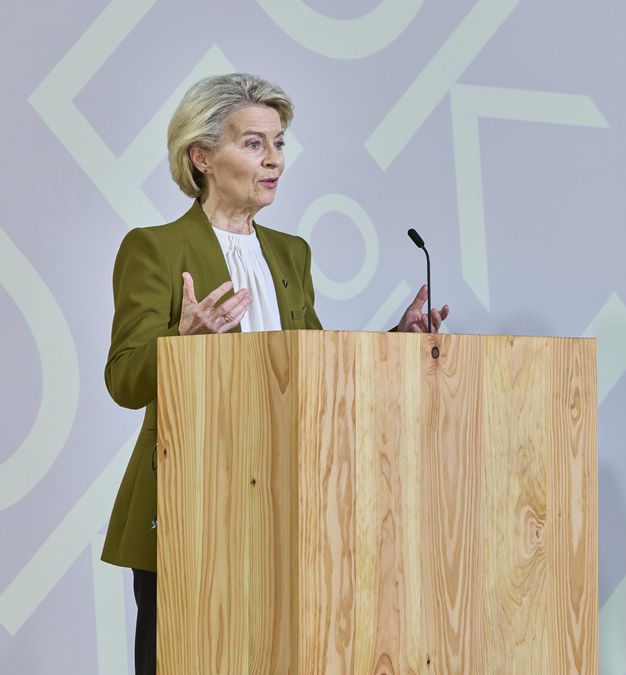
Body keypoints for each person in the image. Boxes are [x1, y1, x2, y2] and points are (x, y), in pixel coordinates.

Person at [100, 73, 449, 675]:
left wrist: (398, 344)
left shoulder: (291, 253)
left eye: (279, 143)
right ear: (202, 157)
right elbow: (124, 378)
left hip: (288, 502)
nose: (274, 161)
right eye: (254, 143)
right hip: (194, 503)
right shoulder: (154, 248)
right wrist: (185, 347)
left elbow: (312, 364)